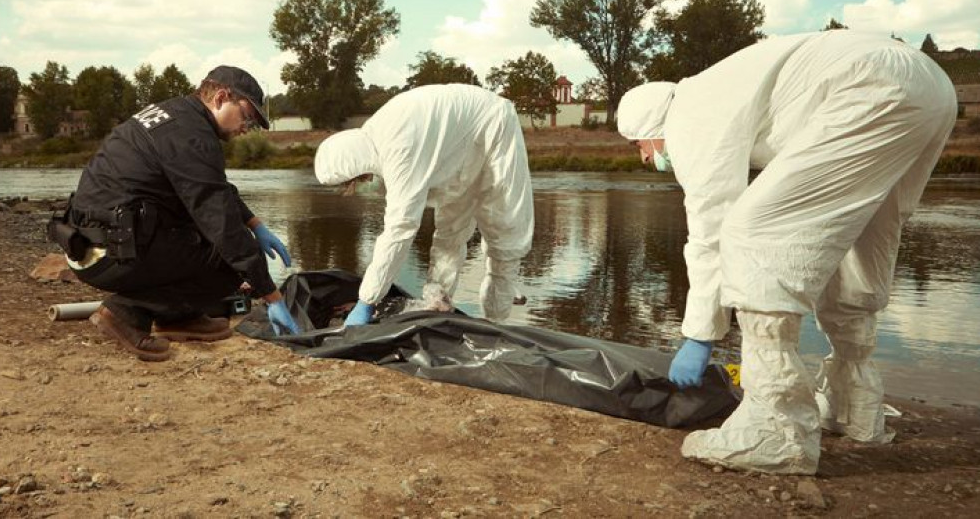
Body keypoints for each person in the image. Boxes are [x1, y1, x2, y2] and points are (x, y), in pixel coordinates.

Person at [616, 30, 957, 474]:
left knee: (753, 235)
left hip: (869, 87)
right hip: (930, 86)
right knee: (861, 237)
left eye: (639, 146)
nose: (644, 158)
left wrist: (699, 334)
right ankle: (854, 404)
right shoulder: (720, 89)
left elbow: (711, 229)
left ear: (651, 128)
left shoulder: (689, 117)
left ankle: (776, 431)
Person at [49, 65, 301, 362]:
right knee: (228, 261)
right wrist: (272, 296)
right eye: (247, 116)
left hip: (89, 242)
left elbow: (213, 187)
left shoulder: (175, 116)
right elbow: (221, 224)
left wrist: (255, 224)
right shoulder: (193, 135)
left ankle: (177, 318)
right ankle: (125, 313)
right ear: (221, 97)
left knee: (218, 239)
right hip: (111, 251)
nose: (248, 127)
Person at [313, 83, 534, 326]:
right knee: (450, 231)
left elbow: (400, 229)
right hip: (458, 146)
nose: (361, 183)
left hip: (494, 125)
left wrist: (367, 301)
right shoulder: (375, 138)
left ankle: (496, 323)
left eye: (355, 180)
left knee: (504, 231)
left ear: (355, 162)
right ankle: (437, 303)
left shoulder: (397, 150)